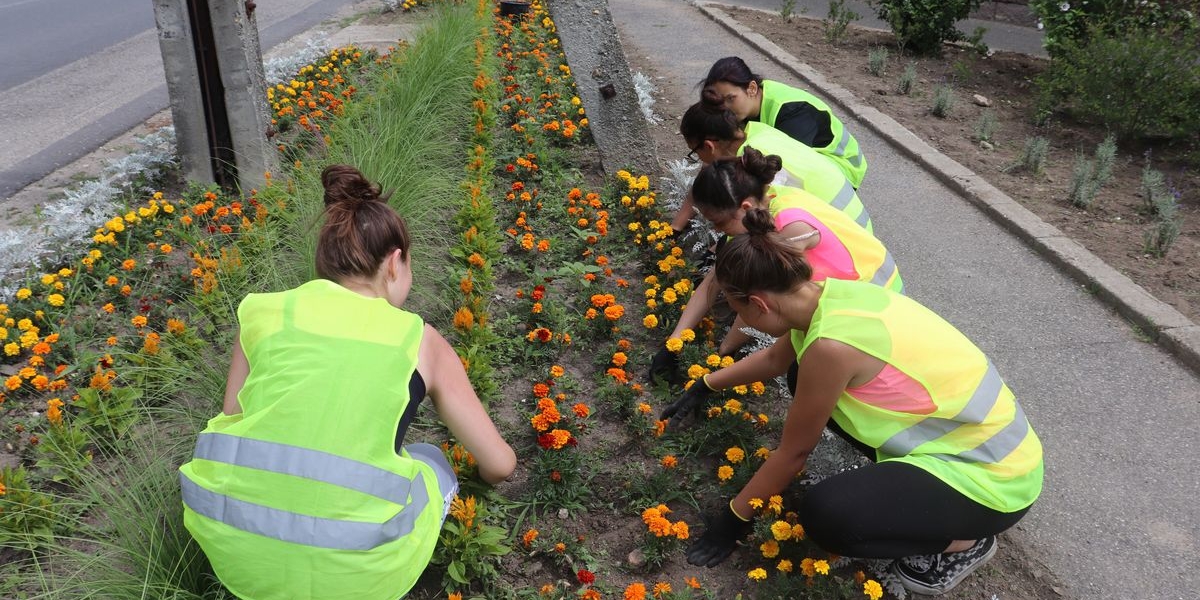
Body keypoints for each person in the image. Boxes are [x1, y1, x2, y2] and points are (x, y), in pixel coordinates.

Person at [661, 209, 1043, 596]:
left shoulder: (831, 347)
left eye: (738, 311)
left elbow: (794, 453)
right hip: (978, 443)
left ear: (759, 303)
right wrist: (705, 385)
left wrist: (733, 520)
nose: (741, 322)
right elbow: (777, 358)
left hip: (993, 481)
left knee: (829, 518)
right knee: (799, 373)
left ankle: (965, 543)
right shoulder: (830, 295)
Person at [178, 165, 517, 600]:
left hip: (235, 549)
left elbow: (235, 423)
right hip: (358, 577)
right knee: (429, 457)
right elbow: (499, 464)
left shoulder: (262, 311)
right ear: (394, 263)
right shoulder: (419, 340)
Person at [650, 147, 902, 384]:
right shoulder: (761, 208)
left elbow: (758, 302)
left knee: (809, 368)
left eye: (718, 222)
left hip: (875, 289)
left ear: (744, 207)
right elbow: (717, 278)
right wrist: (674, 343)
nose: (716, 230)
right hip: (850, 276)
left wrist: (723, 355)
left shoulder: (790, 229)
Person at [671, 103, 870, 235]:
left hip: (846, 235)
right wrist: (675, 229)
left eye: (694, 152)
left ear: (709, 146)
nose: (699, 159)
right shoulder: (756, 135)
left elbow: (756, 225)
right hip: (847, 221)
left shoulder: (758, 163)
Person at [700, 56, 867, 188]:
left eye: (731, 99)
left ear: (752, 88)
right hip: (815, 162)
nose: (725, 108)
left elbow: (781, 168)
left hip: (842, 170)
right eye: (720, 102)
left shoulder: (792, 111)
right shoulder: (746, 107)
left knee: (768, 181)